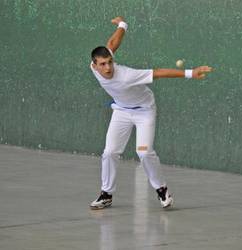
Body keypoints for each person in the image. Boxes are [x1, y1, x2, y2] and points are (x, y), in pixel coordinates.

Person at [89, 16, 212, 209]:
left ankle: (161, 189)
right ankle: (106, 194)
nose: (108, 68)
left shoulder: (127, 75)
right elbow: (112, 43)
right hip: (121, 110)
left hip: (144, 111)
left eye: (110, 63)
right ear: (94, 65)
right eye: (103, 64)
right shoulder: (95, 69)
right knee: (110, 152)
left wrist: (190, 73)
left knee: (144, 153)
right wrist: (123, 25)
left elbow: (158, 72)